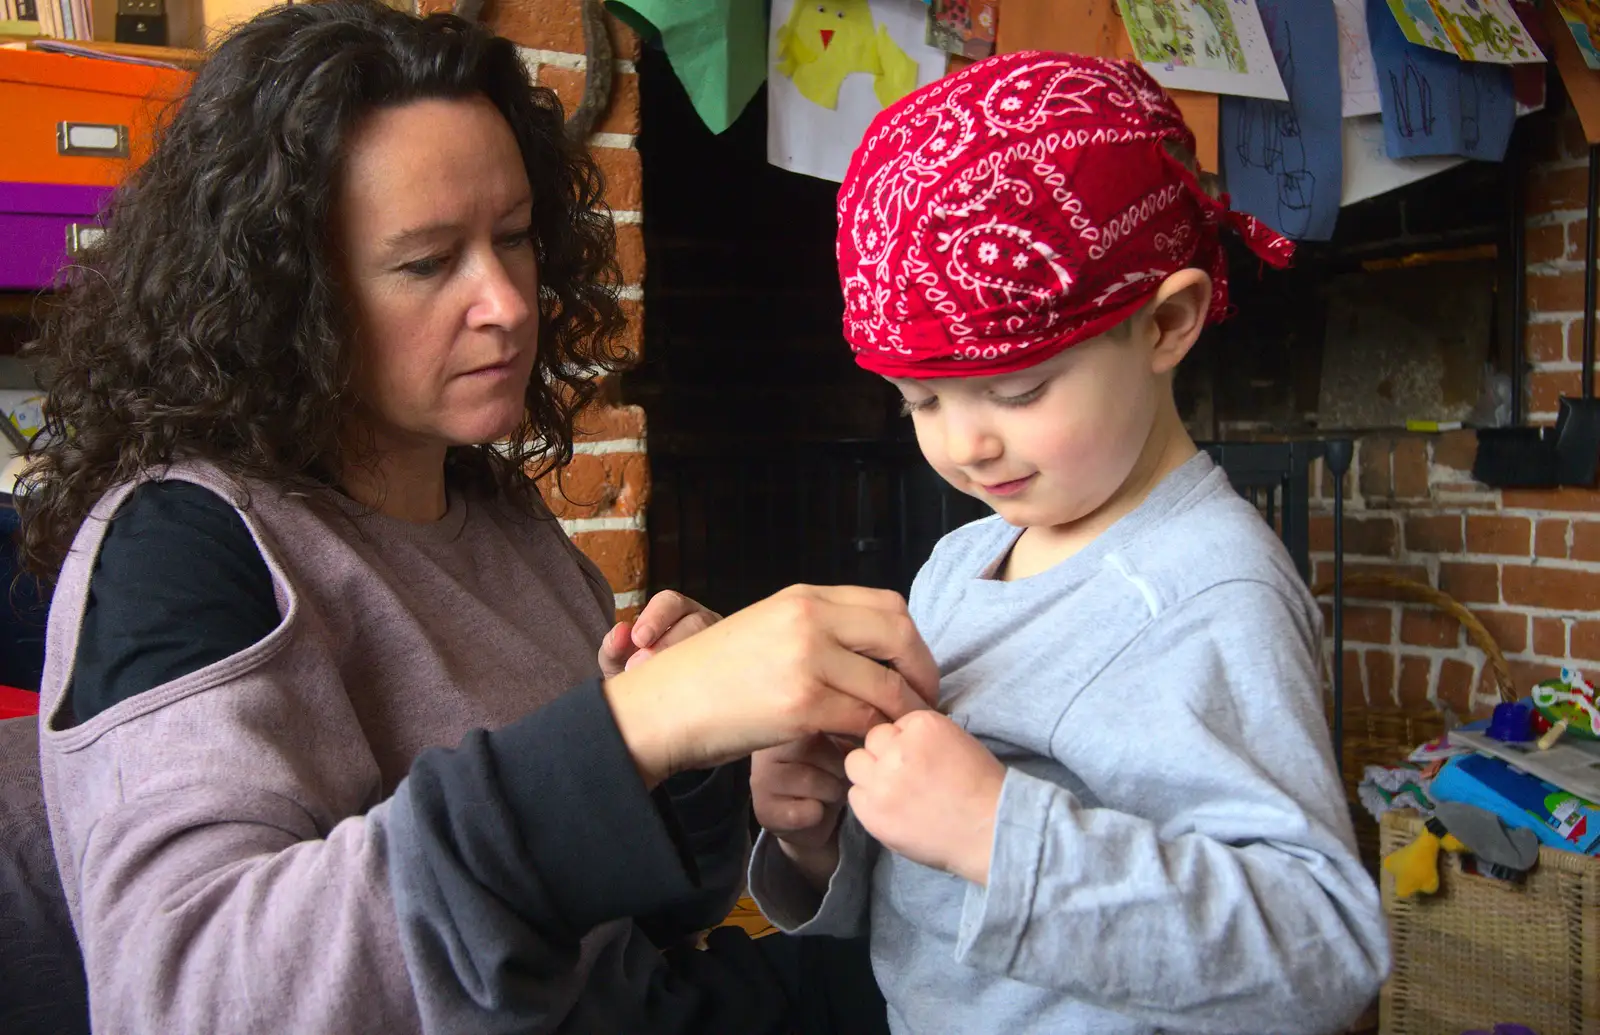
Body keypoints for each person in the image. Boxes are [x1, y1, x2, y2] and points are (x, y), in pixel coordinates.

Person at [14, 2, 939, 1032]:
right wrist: (636, 729)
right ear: (288, 292)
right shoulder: (185, 546)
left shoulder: (490, 509)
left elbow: (639, 925)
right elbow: (191, 1001)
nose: (505, 302)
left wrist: (688, 771)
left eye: (512, 239)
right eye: (426, 263)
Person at [747, 51, 1390, 1034]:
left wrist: (1000, 835)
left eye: (1018, 390)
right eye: (920, 400)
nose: (966, 443)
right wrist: (819, 834)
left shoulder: (1211, 594)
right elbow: (937, 896)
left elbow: (1322, 952)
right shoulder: (960, 565)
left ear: (1165, 323)